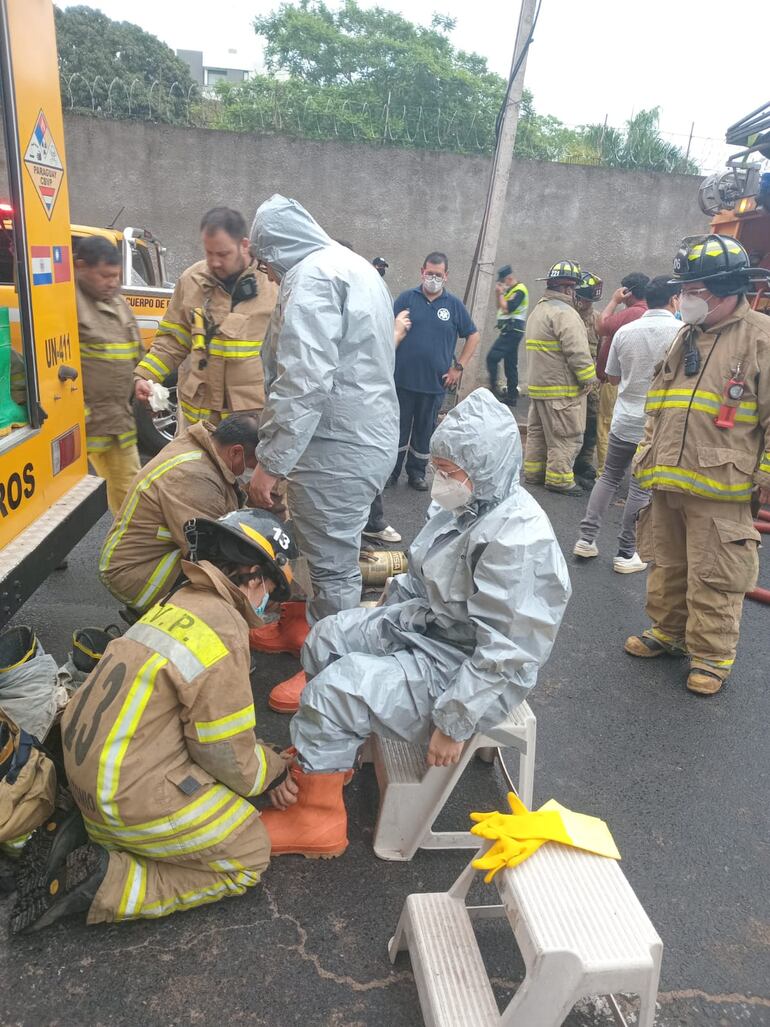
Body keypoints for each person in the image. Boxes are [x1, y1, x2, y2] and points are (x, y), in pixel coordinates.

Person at [258, 389, 571, 857]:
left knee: (336, 688)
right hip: (435, 630)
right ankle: (328, 758)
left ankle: (317, 819)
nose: (440, 479)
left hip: (470, 669)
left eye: (450, 471)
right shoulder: (468, 505)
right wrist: (383, 619)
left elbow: (508, 651)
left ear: (484, 469)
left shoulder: (520, 541)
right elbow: (422, 576)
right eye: (440, 467)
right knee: (327, 638)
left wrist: (454, 722)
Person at [10, 510, 297, 934]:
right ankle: (109, 882)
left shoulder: (174, 602)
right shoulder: (223, 627)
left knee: (208, 801)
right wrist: (273, 770)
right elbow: (227, 756)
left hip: (89, 775)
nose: (267, 605)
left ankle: (100, 835)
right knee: (248, 855)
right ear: (254, 576)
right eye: (270, 592)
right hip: (125, 795)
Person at [247, 195, 398, 709]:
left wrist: (271, 463)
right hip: (358, 436)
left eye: (265, 262)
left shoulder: (311, 277)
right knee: (315, 545)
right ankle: (300, 629)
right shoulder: (354, 268)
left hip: (335, 442)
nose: (265, 273)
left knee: (332, 564)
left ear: (277, 248)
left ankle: (328, 677)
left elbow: (304, 379)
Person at [626, 235, 770, 696]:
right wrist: (646, 456)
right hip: (669, 479)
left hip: (723, 488)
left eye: (694, 289)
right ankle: (668, 633)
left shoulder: (760, 339)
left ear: (726, 289)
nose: (683, 297)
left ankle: (711, 656)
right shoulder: (686, 335)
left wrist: (765, 477)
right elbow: (660, 405)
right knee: (667, 564)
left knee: (715, 574)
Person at [98, 414, 261, 617]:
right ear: (236, 452)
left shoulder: (202, 449)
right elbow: (212, 550)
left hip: (148, 557)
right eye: (255, 464)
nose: (254, 471)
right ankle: (175, 623)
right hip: (136, 573)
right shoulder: (194, 477)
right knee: (225, 576)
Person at [134, 207, 278, 430]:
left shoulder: (274, 283)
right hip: (197, 421)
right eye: (209, 253)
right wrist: (145, 375)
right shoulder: (191, 280)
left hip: (248, 423)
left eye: (223, 254)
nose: (215, 262)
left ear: (245, 245)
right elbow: (173, 340)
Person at [574, 276, 681, 572]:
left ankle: (586, 539)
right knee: (640, 486)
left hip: (625, 415)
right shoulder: (682, 333)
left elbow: (614, 378)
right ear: (674, 299)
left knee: (608, 477)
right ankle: (625, 552)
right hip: (656, 423)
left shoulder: (625, 331)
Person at [389, 252, 480, 490]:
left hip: (433, 384)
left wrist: (458, 368)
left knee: (423, 432)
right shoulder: (406, 299)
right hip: (402, 380)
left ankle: (416, 473)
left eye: (438, 275)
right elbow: (387, 328)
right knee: (396, 429)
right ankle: (390, 471)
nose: (433, 278)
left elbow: (473, 335)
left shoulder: (453, 306)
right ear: (422, 272)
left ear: (446, 276)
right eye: (429, 273)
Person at [75, 237, 142, 515]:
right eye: (105, 275)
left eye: (116, 276)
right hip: (83, 420)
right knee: (66, 497)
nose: (113, 283)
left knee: (130, 491)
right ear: (81, 267)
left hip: (116, 420)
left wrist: (142, 380)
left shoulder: (117, 304)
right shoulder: (65, 302)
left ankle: (128, 547)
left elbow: (137, 351)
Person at [523, 260, 598, 496]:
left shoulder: (539, 310)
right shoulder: (566, 314)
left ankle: (534, 473)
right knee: (565, 437)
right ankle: (560, 479)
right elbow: (577, 352)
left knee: (538, 434)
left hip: (539, 387)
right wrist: (590, 380)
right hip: (561, 389)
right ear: (568, 290)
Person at [595, 272, 650, 473]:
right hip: (639, 381)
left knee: (607, 426)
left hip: (615, 381)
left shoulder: (633, 313)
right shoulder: (650, 313)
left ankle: (605, 472)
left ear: (628, 292)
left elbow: (601, 326)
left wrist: (614, 301)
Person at [572, 271, 604, 488]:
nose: (584, 303)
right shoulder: (567, 316)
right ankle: (564, 462)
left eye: (589, 300)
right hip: (568, 380)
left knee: (591, 421)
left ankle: (583, 462)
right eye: (582, 298)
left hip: (591, 382)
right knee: (567, 424)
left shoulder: (597, 320)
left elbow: (601, 350)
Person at [486, 264, 528, 406]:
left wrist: (502, 294)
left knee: (492, 358)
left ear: (509, 278)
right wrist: (498, 294)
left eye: (502, 281)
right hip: (509, 330)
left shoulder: (520, 290)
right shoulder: (511, 290)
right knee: (510, 364)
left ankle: (493, 390)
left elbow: (508, 308)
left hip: (513, 331)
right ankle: (511, 397)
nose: (502, 284)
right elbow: (500, 307)